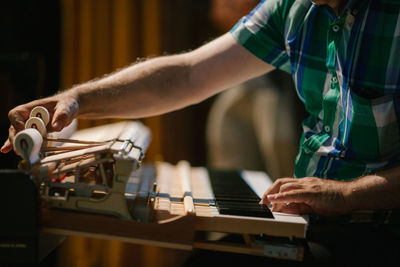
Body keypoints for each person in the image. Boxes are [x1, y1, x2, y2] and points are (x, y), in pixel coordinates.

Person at [3, 0, 400, 263]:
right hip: (314, 223)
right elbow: (188, 74)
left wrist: (347, 194)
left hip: (378, 233)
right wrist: (77, 99)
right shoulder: (293, 9)